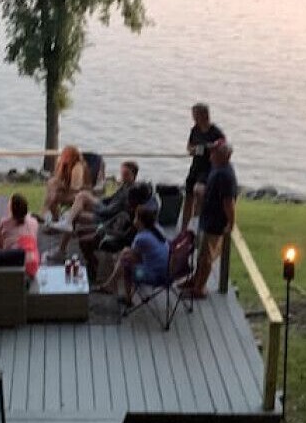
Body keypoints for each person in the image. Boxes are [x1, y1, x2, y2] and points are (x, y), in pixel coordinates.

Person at [48, 161, 139, 259]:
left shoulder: (130, 192)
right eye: (122, 173)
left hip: (107, 218)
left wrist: (95, 206)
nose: (123, 176)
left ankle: (62, 248)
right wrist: (97, 200)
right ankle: (67, 224)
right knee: (79, 204)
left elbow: (110, 212)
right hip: (106, 210)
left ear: (133, 175)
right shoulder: (125, 186)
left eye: (126, 174)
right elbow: (111, 199)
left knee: (81, 200)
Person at [188, 142, 236, 298]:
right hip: (207, 216)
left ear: (224, 156)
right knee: (201, 253)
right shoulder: (216, 167)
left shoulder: (225, 175)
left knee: (207, 256)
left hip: (216, 221)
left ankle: (199, 288)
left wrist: (231, 222)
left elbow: (228, 202)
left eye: (214, 152)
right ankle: (195, 279)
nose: (211, 155)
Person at [95, 207, 170, 302]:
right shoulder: (157, 231)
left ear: (140, 222)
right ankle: (110, 284)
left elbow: (133, 256)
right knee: (126, 253)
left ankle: (127, 297)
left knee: (126, 263)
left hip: (154, 277)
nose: (134, 219)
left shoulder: (141, 238)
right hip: (166, 272)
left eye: (135, 217)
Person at [180, 104, 226, 232]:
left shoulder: (215, 132)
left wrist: (211, 147)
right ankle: (184, 228)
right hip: (195, 166)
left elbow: (223, 147)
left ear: (204, 115)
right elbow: (189, 147)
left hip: (208, 168)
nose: (194, 118)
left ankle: (196, 226)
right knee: (188, 195)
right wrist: (195, 150)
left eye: (195, 115)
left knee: (199, 192)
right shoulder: (195, 130)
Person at [0, 194, 40, 276]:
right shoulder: (34, 222)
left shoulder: (4, 223)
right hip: (33, 266)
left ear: (11, 209)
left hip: (11, 266)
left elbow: (0, 246)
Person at [42, 145, 87, 226]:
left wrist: (61, 186)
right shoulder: (64, 165)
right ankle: (53, 219)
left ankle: (48, 216)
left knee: (53, 196)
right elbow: (57, 179)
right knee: (52, 188)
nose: (63, 157)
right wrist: (60, 167)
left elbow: (75, 188)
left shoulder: (78, 167)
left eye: (66, 155)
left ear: (73, 156)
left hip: (79, 195)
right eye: (63, 155)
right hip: (68, 191)